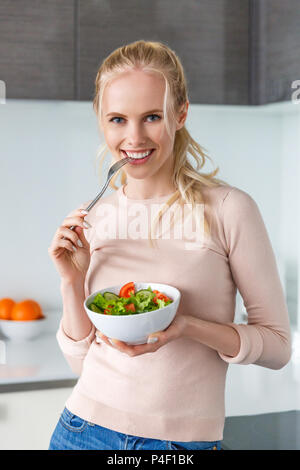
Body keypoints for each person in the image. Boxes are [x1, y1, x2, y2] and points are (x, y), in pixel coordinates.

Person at [47, 40, 292, 451]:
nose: (134, 137)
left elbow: (278, 347)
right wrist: (71, 282)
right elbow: (81, 361)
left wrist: (187, 327)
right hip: (81, 430)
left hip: (179, 447)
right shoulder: (96, 216)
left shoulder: (229, 209)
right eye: (118, 119)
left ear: (181, 114)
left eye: (152, 117)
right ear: (101, 121)